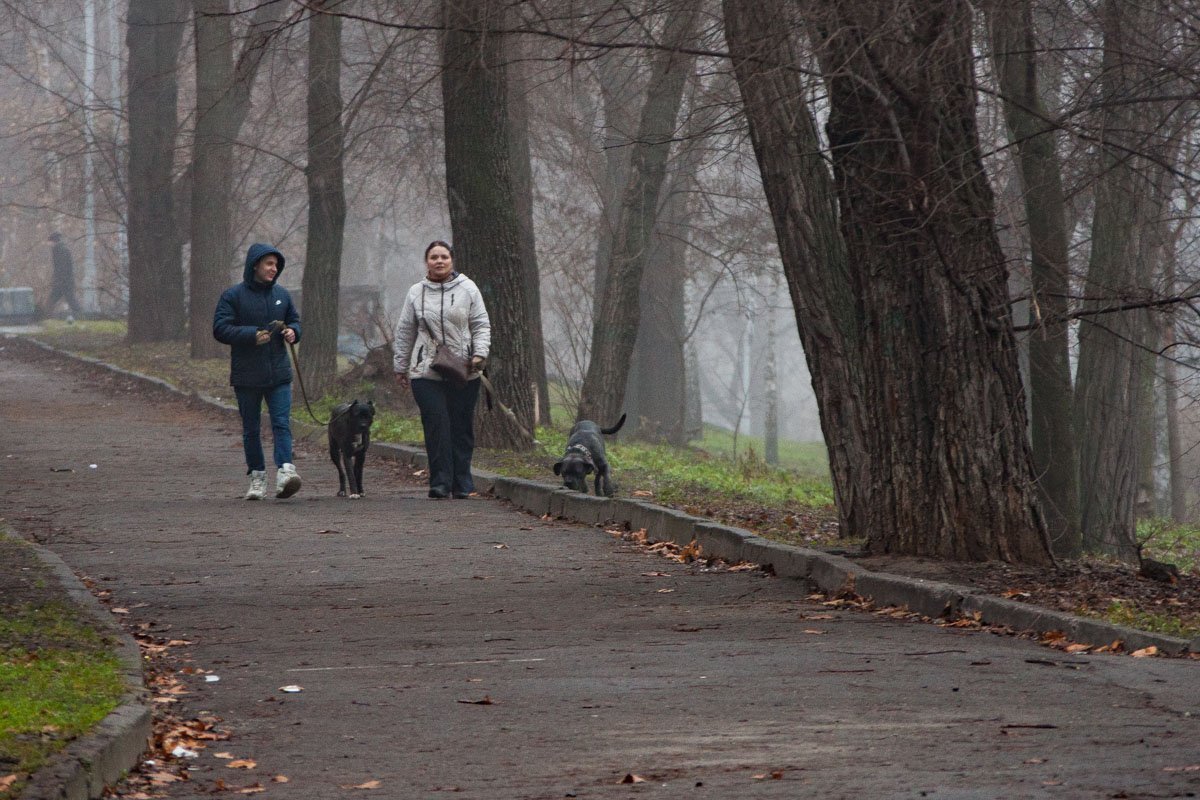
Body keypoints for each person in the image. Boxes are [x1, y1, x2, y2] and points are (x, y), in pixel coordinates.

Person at [393, 240, 490, 499]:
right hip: (426, 371)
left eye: (444, 257)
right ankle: (439, 482)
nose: (439, 261)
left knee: (461, 426)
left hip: (464, 369)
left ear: (452, 260)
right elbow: (405, 331)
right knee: (436, 424)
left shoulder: (468, 288)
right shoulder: (416, 292)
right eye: (434, 257)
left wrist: (480, 354)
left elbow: (481, 324)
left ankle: (463, 483)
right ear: (427, 261)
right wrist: (401, 367)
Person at [213, 243, 303, 500]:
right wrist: (251, 335)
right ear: (255, 265)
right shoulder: (233, 296)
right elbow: (220, 329)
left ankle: (286, 471)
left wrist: (293, 332)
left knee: (281, 423)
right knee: (251, 428)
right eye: (269, 264)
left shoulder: (283, 296)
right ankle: (257, 476)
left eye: (276, 265)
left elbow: (295, 320)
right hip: (246, 374)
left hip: (279, 373)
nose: (274, 269)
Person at [47, 232, 81, 320]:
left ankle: (46, 316)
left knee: (56, 299)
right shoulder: (61, 249)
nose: (48, 244)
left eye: (49, 242)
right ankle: (80, 315)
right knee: (69, 299)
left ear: (53, 241)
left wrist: (58, 280)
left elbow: (62, 267)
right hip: (64, 281)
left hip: (63, 282)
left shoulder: (60, 250)